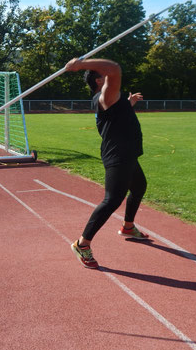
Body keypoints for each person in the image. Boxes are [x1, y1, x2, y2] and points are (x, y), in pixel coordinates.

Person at [65, 57, 149, 269]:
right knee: (112, 200)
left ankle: (128, 227)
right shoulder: (104, 96)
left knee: (139, 187)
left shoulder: (113, 99)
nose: (109, 76)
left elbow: (117, 115)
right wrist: (80, 64)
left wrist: (129, 104)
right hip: (118, 155)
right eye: (102, 74)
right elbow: (115, 68)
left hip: (127, 153)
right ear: (98, 81)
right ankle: (82, 243)